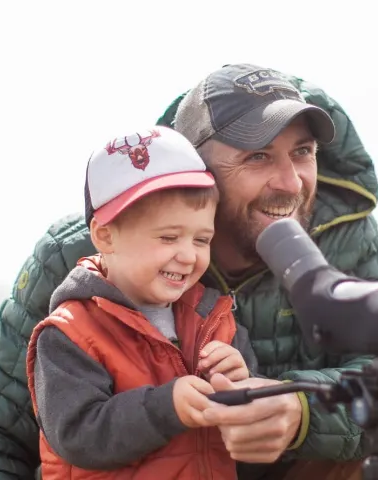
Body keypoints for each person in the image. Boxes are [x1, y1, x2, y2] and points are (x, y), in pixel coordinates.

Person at [0, 63, 378, 480]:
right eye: (259, 156)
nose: (290, 183)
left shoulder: (343, 236)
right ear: (196, 170)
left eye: (303, 152)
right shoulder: (81, 253)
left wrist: (302, 411)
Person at [26, 125, 258, 479]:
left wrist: (243, 386)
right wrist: (167, 407)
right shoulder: (70, 334)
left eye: (201, 239)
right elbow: (77, 435)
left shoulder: (217, 322)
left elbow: (252, 434)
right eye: (168, 237)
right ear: (105, 236)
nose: (187, 255)